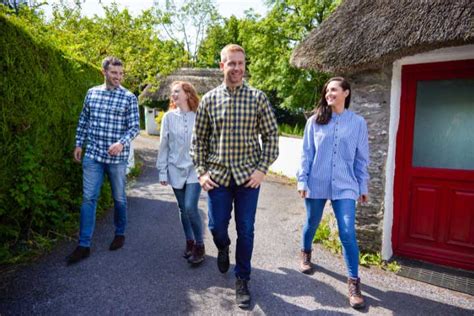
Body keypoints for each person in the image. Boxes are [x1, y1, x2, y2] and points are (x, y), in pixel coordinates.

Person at [191, 44, 279, 309]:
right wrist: (202, 172)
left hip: (247, 178)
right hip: (217, 176)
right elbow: (199, 140)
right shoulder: (208, 99)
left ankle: (242, 279)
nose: (237, 68)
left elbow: (272, 136)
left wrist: (262, 169)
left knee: (247, 229)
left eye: (241, 63)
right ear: (222, 66)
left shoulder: (258, 98)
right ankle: (222, 246)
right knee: (216, 227)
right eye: (231, 63)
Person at [296, 77, 369, 309]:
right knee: (312, 223)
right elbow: (306, 154)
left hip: (346, 185)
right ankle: (306, 252)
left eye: (334, 90)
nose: (329, 94)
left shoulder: (358, 123)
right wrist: (302, 180)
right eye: (327, 90)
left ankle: (354, 283)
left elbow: (361, 158)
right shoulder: (314, 122)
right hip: (316, 183)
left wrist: (363, 186)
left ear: (346, 93)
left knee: (347, 231)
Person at [66, 56, 140, 265]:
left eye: (121, 73)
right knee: (89, 198)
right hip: (93, 155)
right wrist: (79, 143)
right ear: (104, 72)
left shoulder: (128, 97)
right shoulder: (92, 93)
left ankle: (119, 233)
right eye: (114, 73)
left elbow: (134, 127)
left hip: (117, 158)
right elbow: (84, 119)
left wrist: (121, 143)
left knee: (119, 198)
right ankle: (83, 245)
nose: (118, 77)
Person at [156, 81, 205, 266]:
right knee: (183, 209)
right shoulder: (168, 118)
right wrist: (162, 171)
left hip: (195, 168)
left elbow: (207, 143)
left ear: (187, 94)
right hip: (175, 168)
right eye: (172, 93)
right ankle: (189, 241)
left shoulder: (199, 115)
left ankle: (200, 245)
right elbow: (163, 145)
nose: (174, 95)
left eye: (177, 91)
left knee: (191, 207)